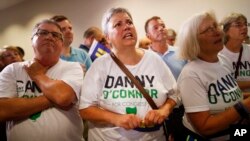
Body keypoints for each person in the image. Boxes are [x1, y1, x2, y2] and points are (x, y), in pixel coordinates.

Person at [79, 7, 179, 141]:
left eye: (129, 22)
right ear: (108, 37)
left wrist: (164, 111)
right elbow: (85, 109)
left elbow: (174, 94)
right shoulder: (99, 66)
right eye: (118, 24)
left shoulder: (154, 60)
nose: (126, 27)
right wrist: (116, 119)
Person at [0, 19, 84, 141]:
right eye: (43, 33)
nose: (49, 37)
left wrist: (37, 75)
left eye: (55, 35)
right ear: (32, 40)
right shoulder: (12, 70)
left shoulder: (72, 67)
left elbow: (63, 96)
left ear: (61, 44)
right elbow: (3, 110)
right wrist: (56, 96)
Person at [176, 11, 250, 140]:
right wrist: (246, 105)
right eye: (208, 30)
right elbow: (205, 127)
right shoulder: (191, 75)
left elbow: (229, 94)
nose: (217, 32)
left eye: (215, 26)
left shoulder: (223, 61)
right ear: (194, 41)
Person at [144, 16, 187, 141]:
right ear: (148, 36)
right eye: (155, 27)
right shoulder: (144, 58)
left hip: (183, 108)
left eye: (163, 26)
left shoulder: (181, 52)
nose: (161, 29)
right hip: (158, 111)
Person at [218, 13, 250, 95]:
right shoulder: (218, 53)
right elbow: (223, 85)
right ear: (226, 30)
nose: (245, 27)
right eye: (238, 25)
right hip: (230, 100)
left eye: (245, 24)